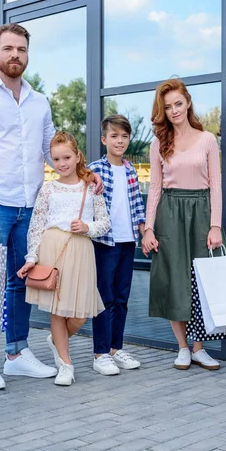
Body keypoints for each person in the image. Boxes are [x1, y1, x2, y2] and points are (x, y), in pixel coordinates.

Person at [0, 23, 102, 391]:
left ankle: (17, 354)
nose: (15, 55)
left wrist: (84, 174)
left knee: (23, 282)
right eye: (8, 49)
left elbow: (50, 151)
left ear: (27, 54)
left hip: (31, 204)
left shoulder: (39, 102)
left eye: (21, 49)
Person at [142, 79, 226, 371]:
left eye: (178, 104)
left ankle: (200, 348)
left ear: (188, 103)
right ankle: (183, 347)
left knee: (200, 281)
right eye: (168, 107)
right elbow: (156, 189)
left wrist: (215, 225)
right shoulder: (159, 143)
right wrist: (148, 228)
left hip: (201, 210)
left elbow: (216, 187)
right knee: (175, 279)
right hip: (169, 211)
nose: (174, 111)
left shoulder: (208, 139)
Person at [17, 132, 110, 386]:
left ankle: (58, 341)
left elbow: (105, 223)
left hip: (81, 250)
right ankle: (65, 365)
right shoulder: (48, 188)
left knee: (80, 313)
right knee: (57, 311)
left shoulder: (91, 186)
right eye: (56, 159)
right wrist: (31, 257)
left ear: (77, 156)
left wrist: (87, 227)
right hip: (53, 249)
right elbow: (36, 225)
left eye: (67, 157)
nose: (62, 163)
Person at [88, 114, 145, 376]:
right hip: (105, 242)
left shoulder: (131, 169)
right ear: (104, 139)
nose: (119, 141)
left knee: (122, 299)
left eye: (124, 136)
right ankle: (100, 353)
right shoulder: (95, 170)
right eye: (114, 136)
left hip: (127, 241)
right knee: (104, 298)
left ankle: (115, 349)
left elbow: (137, 205)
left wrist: (144, 232)